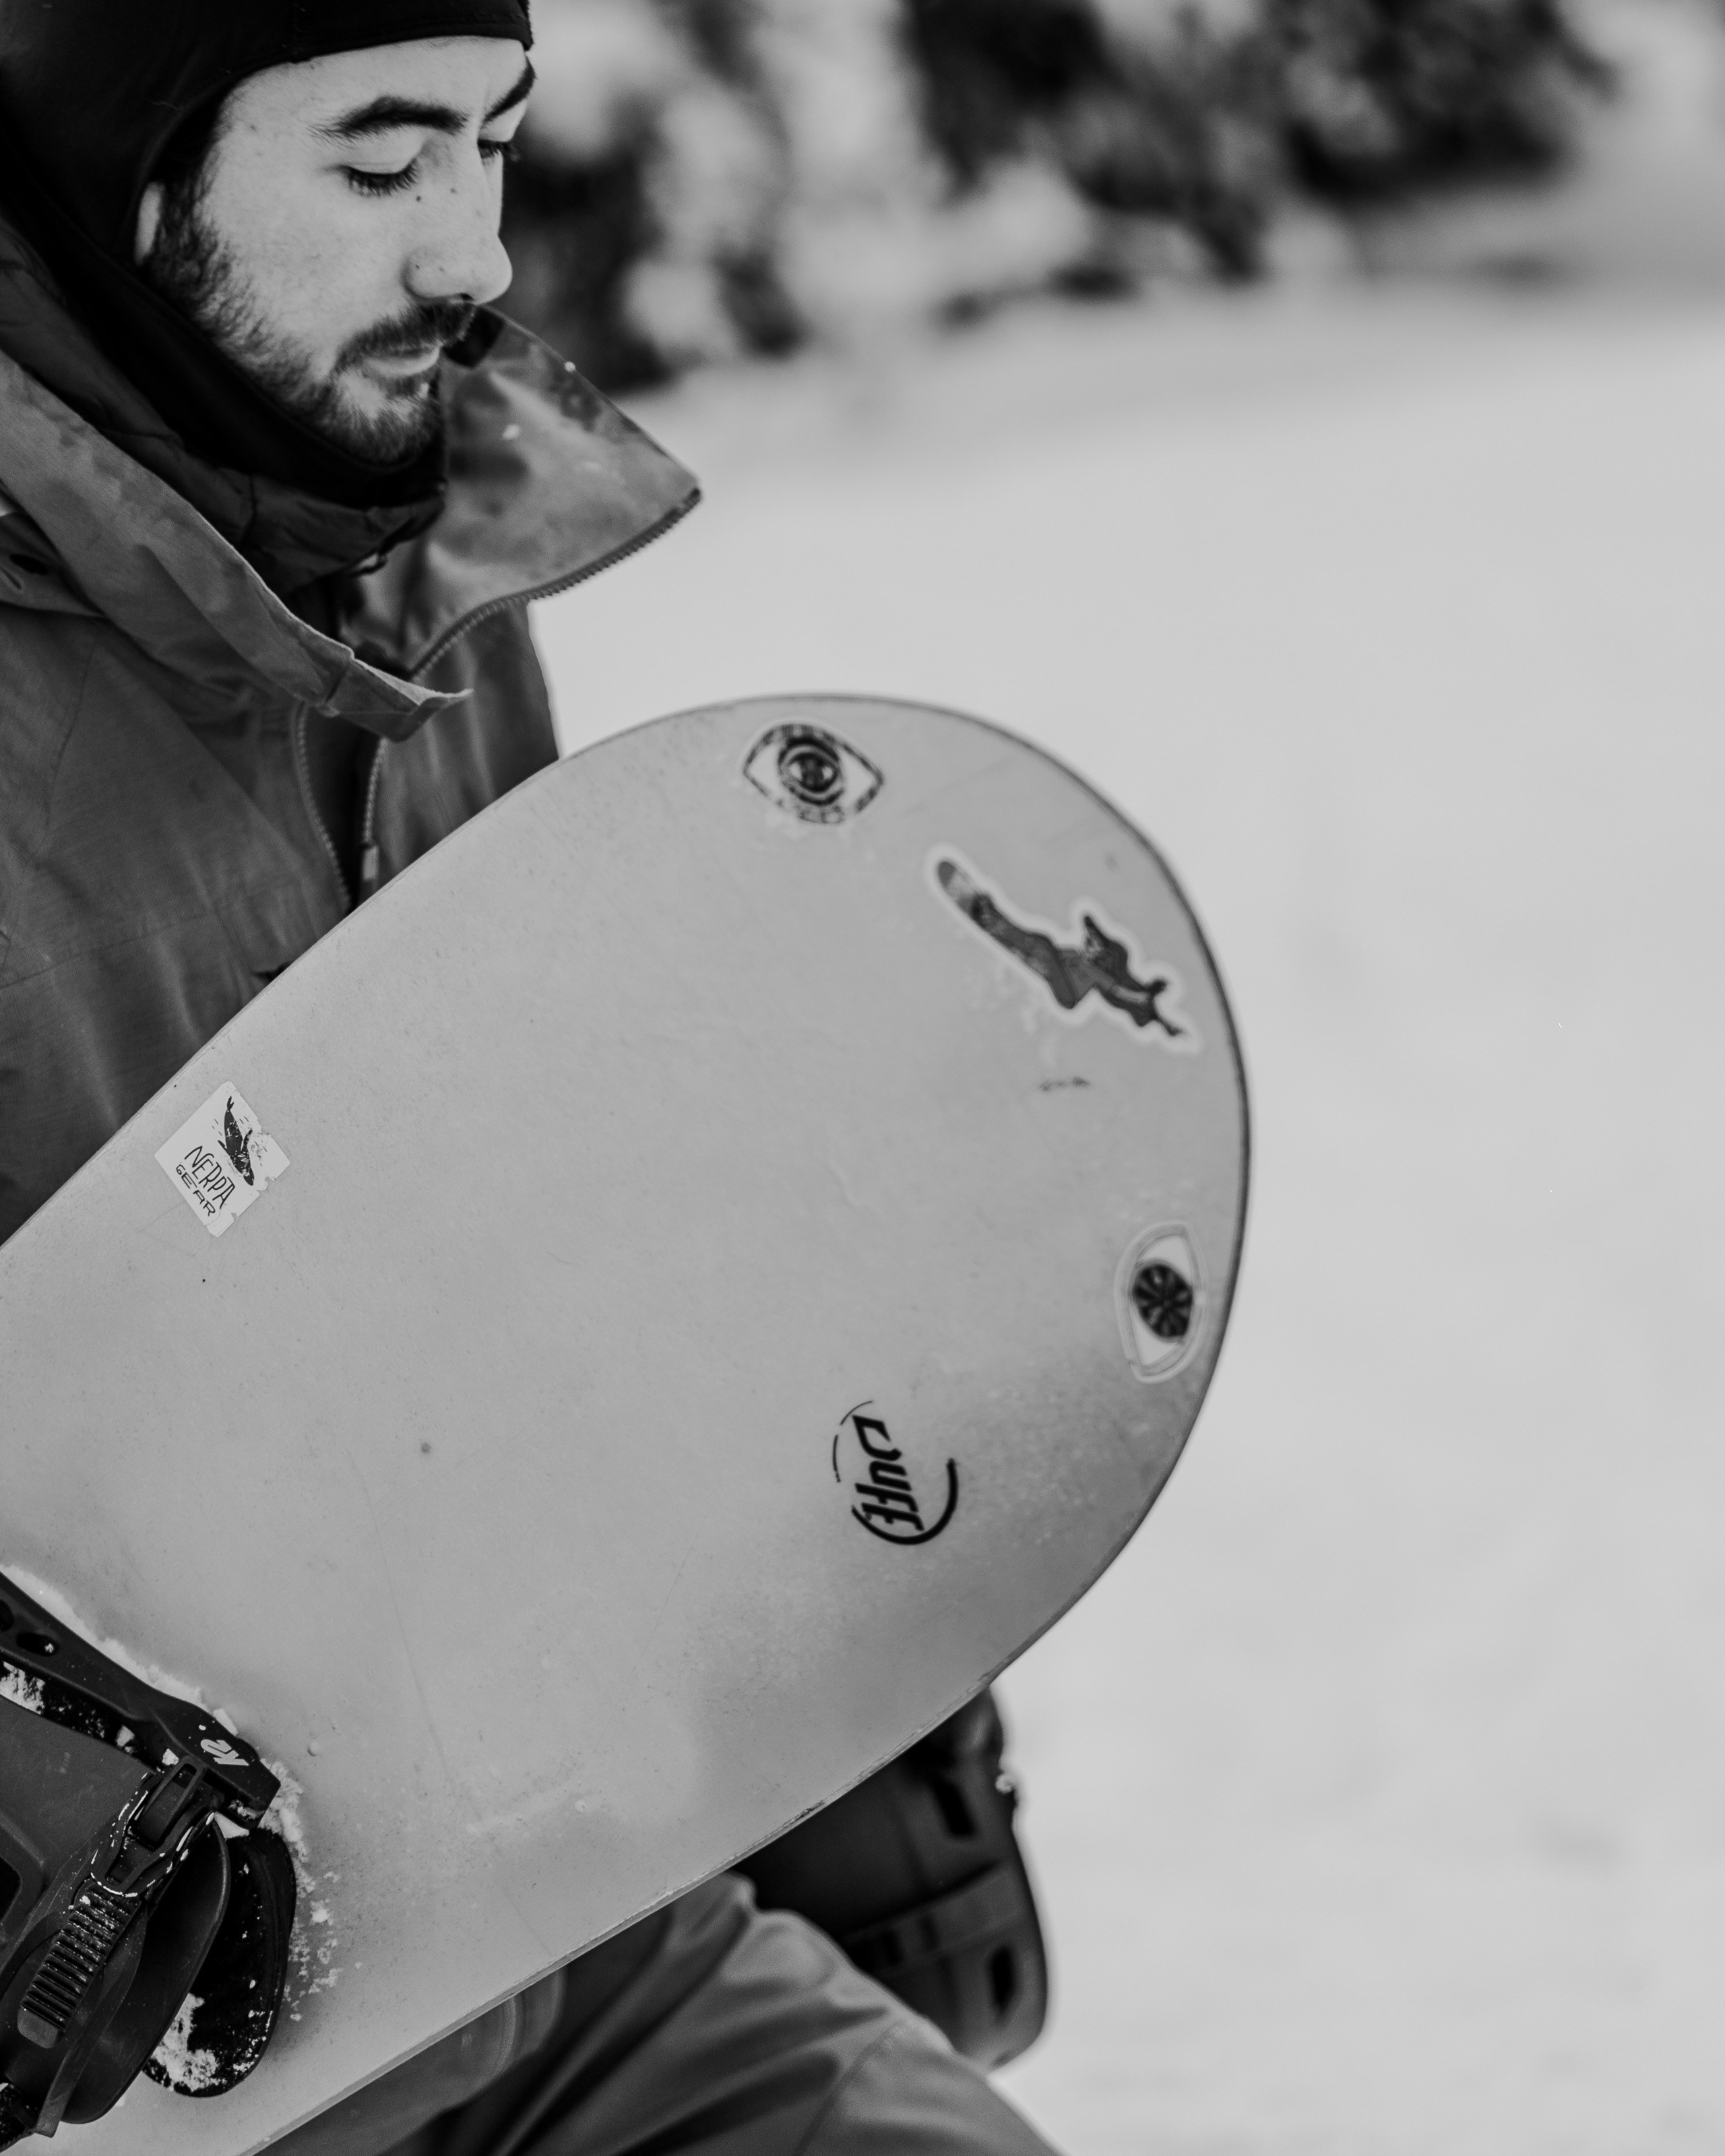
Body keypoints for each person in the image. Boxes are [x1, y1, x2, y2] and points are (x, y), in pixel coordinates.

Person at [0, 5, 1059, 2152]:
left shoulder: (426, 595)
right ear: (113, 185)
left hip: (534, 1955)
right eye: (380, 167)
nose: (473, 249)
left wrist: (804, 1594)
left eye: (490, 142)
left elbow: (531, 1221)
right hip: (116, 2068)